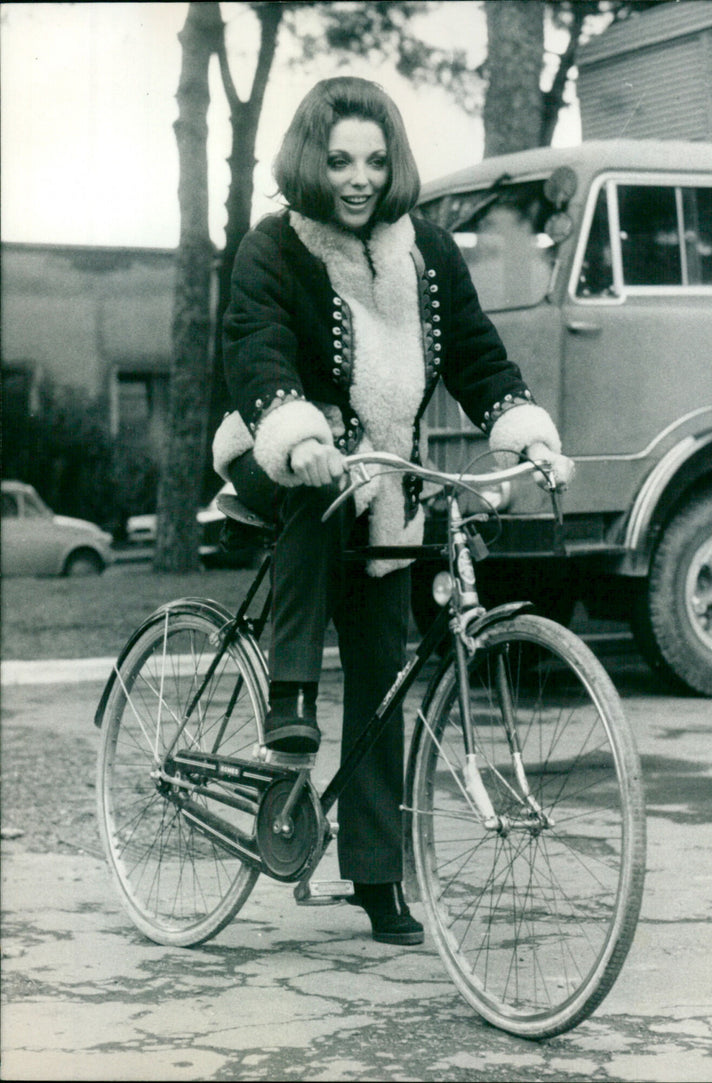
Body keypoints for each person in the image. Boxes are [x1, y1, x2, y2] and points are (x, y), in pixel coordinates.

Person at [211, 76, 574, 947]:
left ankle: (377, 875)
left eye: (376, 159)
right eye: (339, 159)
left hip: (385, 487)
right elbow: (255, 345)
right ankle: (291, 692)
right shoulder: (275, 247)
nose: (359, 177)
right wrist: (297, 434)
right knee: (316, 490)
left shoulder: (429, 256)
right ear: (311, 161)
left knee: (385, 675)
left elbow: (480, 359)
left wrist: (520, 430)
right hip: (275, 457)